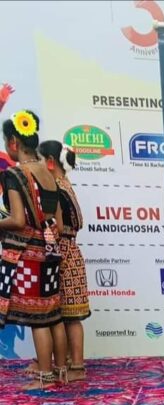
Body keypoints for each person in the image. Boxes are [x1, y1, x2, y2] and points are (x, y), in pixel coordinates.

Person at [0, 109, 64, 389]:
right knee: (50, 315)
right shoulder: (48, 173)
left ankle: (45, 377)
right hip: (49, 253)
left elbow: (16, 220)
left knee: (38, 319)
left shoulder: (15, 174)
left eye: (5, 142)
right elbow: (58, 223)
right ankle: (58, 371)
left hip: (27, 256)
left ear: (14, 142)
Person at [39, 140, 90, 380]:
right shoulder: (65, 184)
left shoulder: (54, 188)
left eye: (40, 160)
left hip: (62, 252)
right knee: (69, 315)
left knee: (69, 316)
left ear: (50, 162)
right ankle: (69, 361)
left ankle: (76, 366)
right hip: (71, 250)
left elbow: (56, 227)